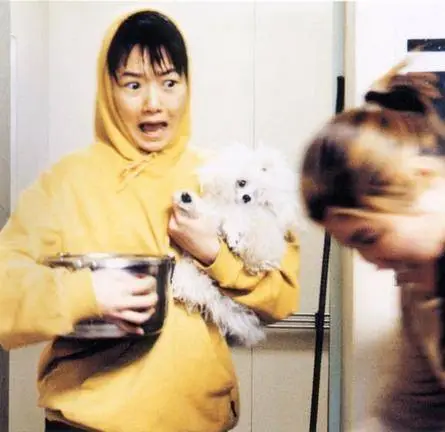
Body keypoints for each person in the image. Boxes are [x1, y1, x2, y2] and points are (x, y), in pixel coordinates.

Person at [0, 9, 300, 432]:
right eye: (133, 84)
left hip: (198, 420)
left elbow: (282, 296)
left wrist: (214, 255)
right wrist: (86, 293)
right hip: (87, 425)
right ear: (109, 89)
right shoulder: (66, 183)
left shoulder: (219, 177)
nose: (153, 103)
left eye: (169, 82)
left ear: (187, 86)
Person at [300, 60, 445, 431]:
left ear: (425, 178)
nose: (373, 261)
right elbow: (409, 415)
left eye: (368, 237)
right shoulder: (419, 291)